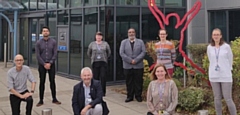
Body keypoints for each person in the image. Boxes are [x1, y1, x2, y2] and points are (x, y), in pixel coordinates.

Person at [207, 28, 237, 115]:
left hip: (225, 76)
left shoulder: (226, 47)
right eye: (214, 35)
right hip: (214, 75)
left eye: (217, 35)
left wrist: (227, 69)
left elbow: (230, 59)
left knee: (228, 98)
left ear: (220, 36)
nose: (216, 36)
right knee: (217, 98)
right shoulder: (209, 47)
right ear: (212, 36)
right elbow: (210, 59)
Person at [35, 26, 61, 106]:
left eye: (46, 31)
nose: (45, 32)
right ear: (42, 33)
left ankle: (54, 98)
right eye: (44, 31)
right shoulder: (38, 43)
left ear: (49, 32)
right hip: (42, 65)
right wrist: (44, 64)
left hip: (51, 64)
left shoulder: (53, 42)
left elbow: (55, 53)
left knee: (52, 81)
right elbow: (37, 55)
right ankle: (41, 100)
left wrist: (50, 63)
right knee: (42, 82)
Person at [119, 28, 146, 102]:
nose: (131, 33)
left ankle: (138, 96)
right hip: (127, 66)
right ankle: (129, 96)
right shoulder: (123, 42)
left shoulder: (140, 42)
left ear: (135, 33)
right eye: (129, 32)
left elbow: (143, 52)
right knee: (129, 81)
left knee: (138, 81)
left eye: (132, 32)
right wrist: (130, 60)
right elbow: (122, 53)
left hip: (138, 65)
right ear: (128, 33)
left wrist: (136, 60)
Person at [87, 31, 111, 96]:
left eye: (100, 36)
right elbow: (89, 53)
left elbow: (109, 52)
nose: (99, 37)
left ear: (102, 37)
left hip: (103, 62)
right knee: (95, 77)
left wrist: (105, 58)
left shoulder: (105, 44)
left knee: (103, 77)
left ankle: (103, 92)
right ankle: (95, 91)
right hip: (95, 63)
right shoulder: (92, 44)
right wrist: (92, 58)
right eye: (97, 36)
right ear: (95, 37)